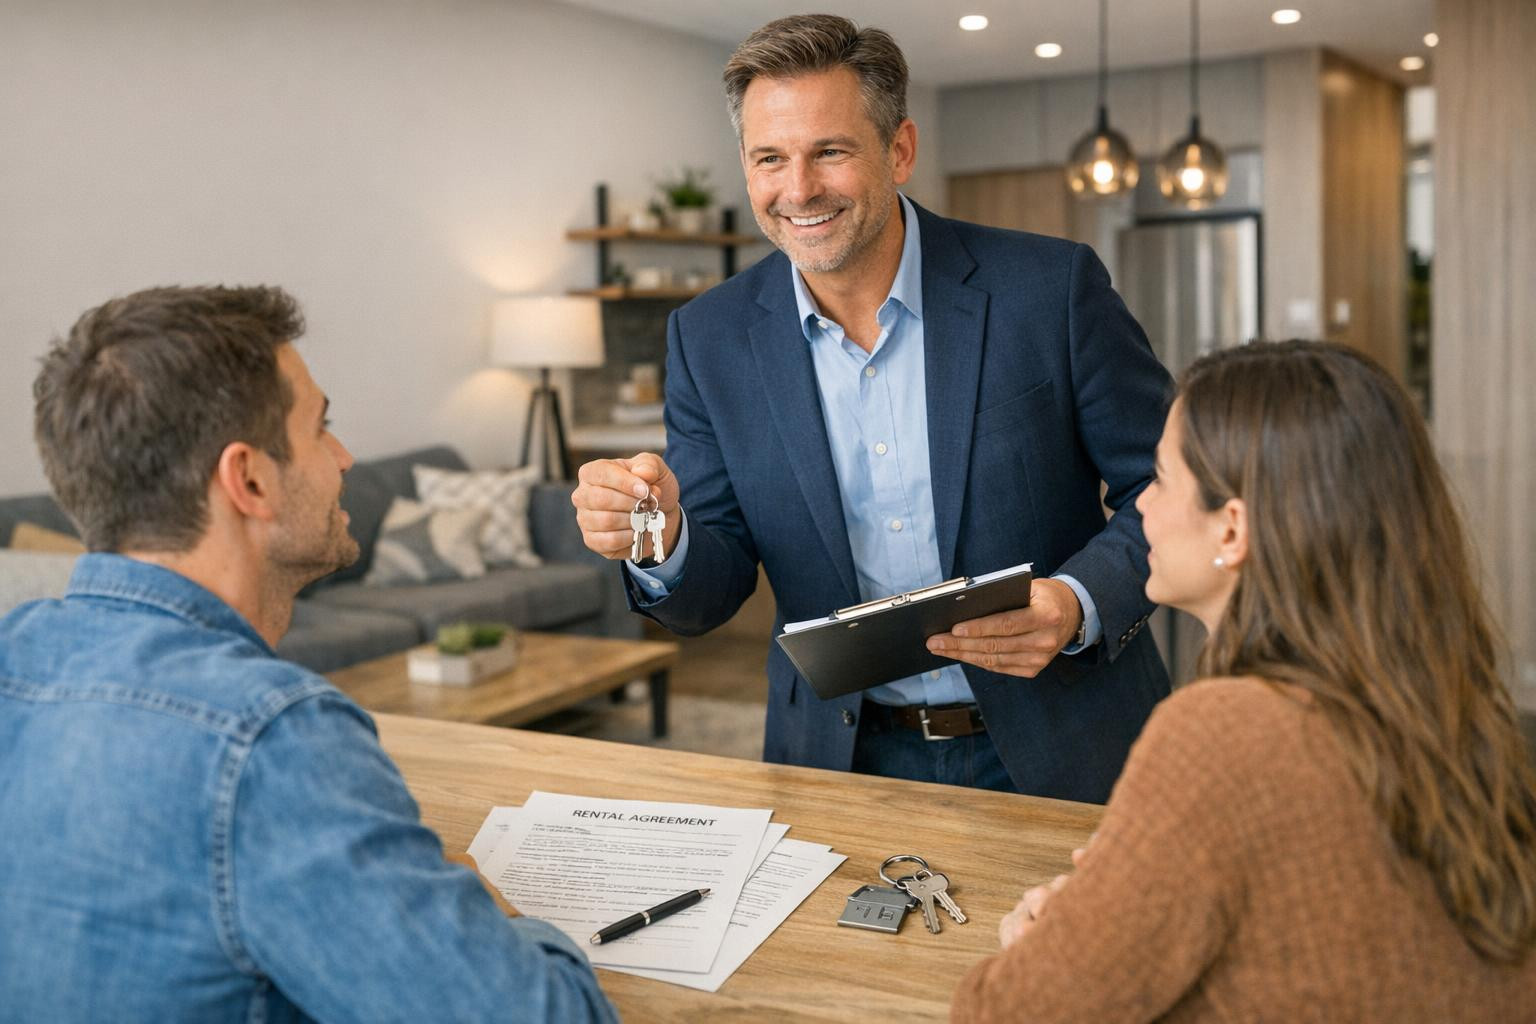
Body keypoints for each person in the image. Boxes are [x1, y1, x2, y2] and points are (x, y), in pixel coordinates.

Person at [571, 14, 1172, 802]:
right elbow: (708, 592)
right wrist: (660, 538)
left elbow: (1175, 489)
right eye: (769, 159)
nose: (799, 190)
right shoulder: (709, 337)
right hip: (838, 763)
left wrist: (1076, 601)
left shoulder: (1050, 290)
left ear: (900, 149)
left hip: (1069, 739)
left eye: (830, 150)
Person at [0, 286, 616, 1022]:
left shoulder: (16, 655)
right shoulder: (272, 739)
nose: (345, 457)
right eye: (322, 428)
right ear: (250, 480)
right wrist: (498, 917)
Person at [952, 341, 1536, 1020]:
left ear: (1232, 529)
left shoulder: (1223, 734)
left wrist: (1041, 937)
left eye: (1161, 480)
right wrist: (1124, 908)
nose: (1140, 514)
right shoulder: (1443, 703)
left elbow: (1006, 1012)